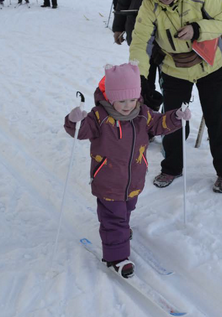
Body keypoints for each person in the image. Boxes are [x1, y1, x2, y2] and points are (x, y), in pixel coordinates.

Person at [63, 62, 190, 278]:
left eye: (132, 99)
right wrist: (74, 121)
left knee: (127, 210)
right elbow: (81, 131)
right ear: (111, 97)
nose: (127, 105)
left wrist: (176, 117)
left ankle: (121, 231)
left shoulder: (142, 114)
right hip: (108, 181)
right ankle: (117, 257)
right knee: (114, 219)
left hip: (134, 180)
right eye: (121, 100)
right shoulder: (99, 117)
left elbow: (160, 124)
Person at [129, 0, 222, 193]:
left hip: (211, 65)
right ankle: (172, 167)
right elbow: (140, 41)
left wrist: (198, 29)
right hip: (174, 68)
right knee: (171, 120)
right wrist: (140, 77)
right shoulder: (150, 4)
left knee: (218, 119)